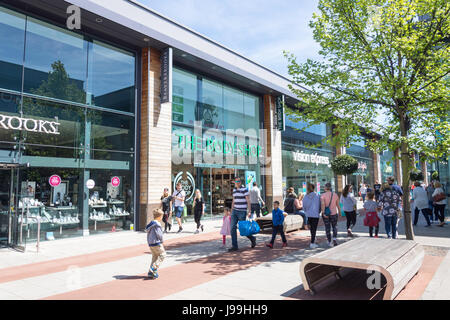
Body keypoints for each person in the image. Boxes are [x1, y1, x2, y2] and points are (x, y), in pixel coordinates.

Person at [229, 177, 256, 252]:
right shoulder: (234, 190)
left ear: (240, 182)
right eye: (236, 181)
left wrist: (249, 211)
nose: (237, 182)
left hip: (242, 211)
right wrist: (231, 211)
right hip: (235, 211)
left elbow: (248, 200)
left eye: (238, 181)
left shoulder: (244, 189)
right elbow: (233, 200)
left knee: (243, 229)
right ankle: (234, 246)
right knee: (232, 228)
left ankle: (252, 238)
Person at [145, 209, 166, 279]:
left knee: (155, 257)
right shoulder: (157, 224)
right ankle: (153, 268)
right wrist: (162, 240)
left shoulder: (151, 224)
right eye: (162, 216)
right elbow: (159, 234)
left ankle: (150, 273)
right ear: (160, 217)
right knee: (163, 255)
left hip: (151, 243)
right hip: (156, 243)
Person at [320, 182, 342, 247]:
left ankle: (329, 241)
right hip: (334, 213)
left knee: (327, 227)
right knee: (334, 226)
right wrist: (340, 212)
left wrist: (323, 212)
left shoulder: (323, 195)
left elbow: (323, 204)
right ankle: (334, 238)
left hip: (326, 213)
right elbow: (338, 205)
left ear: (325, 188)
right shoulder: (335, 195)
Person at [303, 183, 321, 249]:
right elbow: (320, 205)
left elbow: (304, 206)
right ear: (314, 188)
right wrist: (319, 211)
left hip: (309, 215)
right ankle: (312, 242)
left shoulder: (305, 196)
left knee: (311, 229)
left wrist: (306, 212)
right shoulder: (317, 195)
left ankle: (313, 239)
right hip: (315, 214)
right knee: (314, 229)